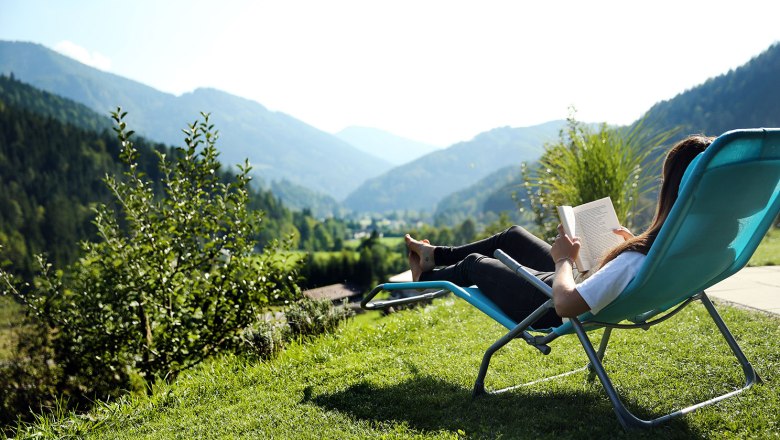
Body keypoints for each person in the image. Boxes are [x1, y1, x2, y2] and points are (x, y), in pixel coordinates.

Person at [405, 135, 713, 328]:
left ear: (672, 189)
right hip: (584, 284)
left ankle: (423, 278)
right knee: (512, 235)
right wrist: (634, 243)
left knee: (475, 264)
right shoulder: (699, 245)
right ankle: (435, 255)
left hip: (552, 305)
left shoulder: (635, 261)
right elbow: (632, 274)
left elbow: (565, 304)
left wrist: (564, 259)